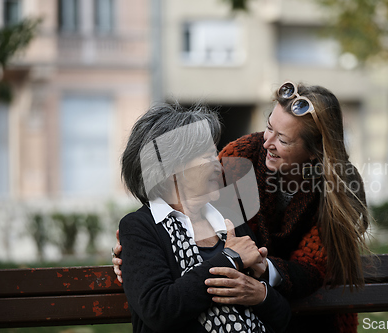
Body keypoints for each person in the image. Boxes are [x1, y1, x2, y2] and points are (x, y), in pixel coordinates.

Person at [114, 81, 371, 333]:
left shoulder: (339, 188)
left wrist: (260, 277)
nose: (267, 141)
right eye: (269, 127)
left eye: (282, 139)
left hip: (310, 306)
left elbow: (311, 271)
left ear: (314, 151)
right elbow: (177, 196)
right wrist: (137, 253)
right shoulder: (242, 157)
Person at [118, 103, 291, 333]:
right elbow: (159, 310)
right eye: (206, 155)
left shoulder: (230, 221)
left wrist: (260, 294)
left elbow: (282, 317)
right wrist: (231, 259)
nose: (217, 163)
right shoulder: (141, 227)